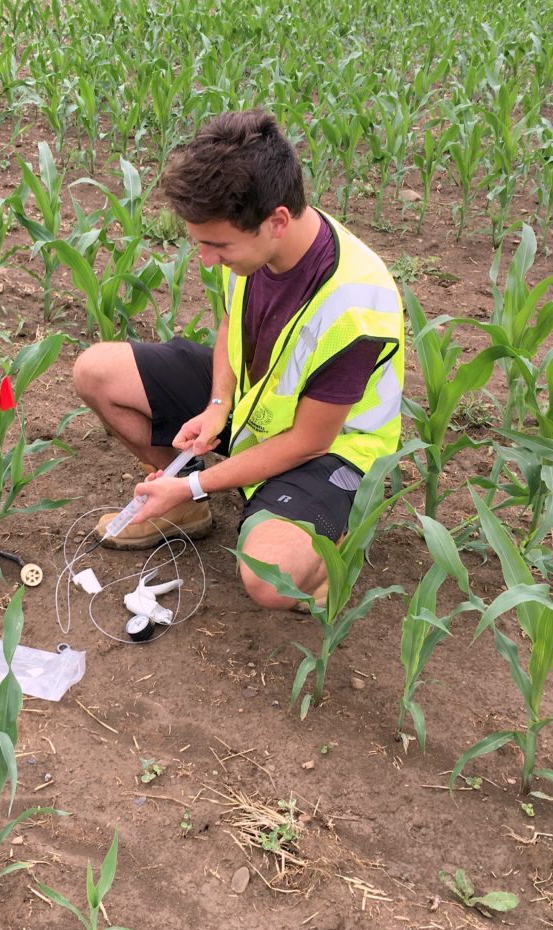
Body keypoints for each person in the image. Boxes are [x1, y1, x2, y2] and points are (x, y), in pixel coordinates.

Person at [72, 109, 404, 610]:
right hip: (254, 408)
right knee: (96, 371)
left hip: (332, 449)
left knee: (271, 580)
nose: (206, 259)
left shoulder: (355, 307)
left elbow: (308, 442)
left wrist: (198, 482)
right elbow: (234, 318)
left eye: (217, 245)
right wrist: (217, 404)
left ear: (278, 220)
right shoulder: (258, 247)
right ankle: (188, 508)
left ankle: (330, 543)